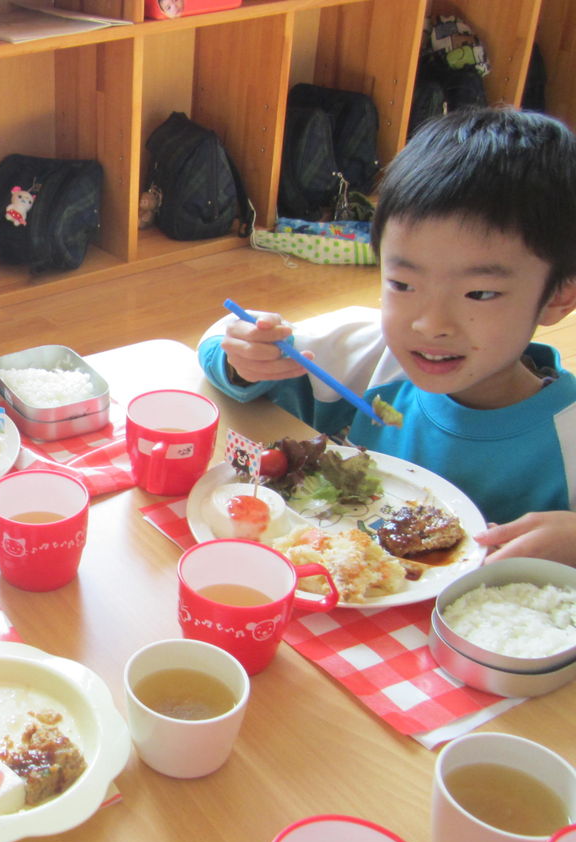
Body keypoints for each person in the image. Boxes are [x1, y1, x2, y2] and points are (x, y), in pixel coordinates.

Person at [197, 106, 576, 564]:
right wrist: (245, 357)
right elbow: (218, 341)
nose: (429, 324)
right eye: (402, 284)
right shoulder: (370, 354)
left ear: (558, 296)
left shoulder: (567, 437)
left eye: (479, 293)